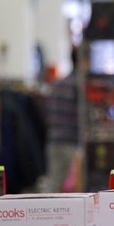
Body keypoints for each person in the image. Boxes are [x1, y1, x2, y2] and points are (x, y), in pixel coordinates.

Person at [36, 46, 83, 193]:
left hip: (54, 140)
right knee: (79, 186)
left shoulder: (57, 85)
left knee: (53, 183)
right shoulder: (79, 86)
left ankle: (44, 213)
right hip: (72, 142)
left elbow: (45, 113)